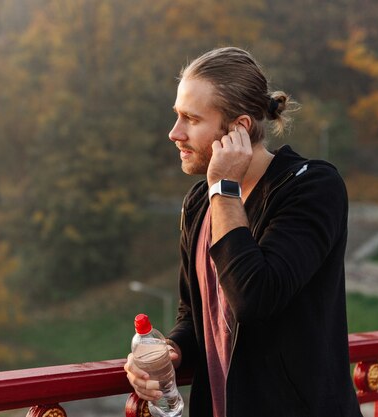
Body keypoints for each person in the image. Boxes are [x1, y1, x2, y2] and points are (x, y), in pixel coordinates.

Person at [124, 46, 362, 417]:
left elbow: (254, 297)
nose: (174, 133)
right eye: (177, 116)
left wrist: (225, 187)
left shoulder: (312, 187)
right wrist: (172, 350)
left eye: (191, 119)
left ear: (239, 127)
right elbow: (196, 311)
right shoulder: (199, 201)